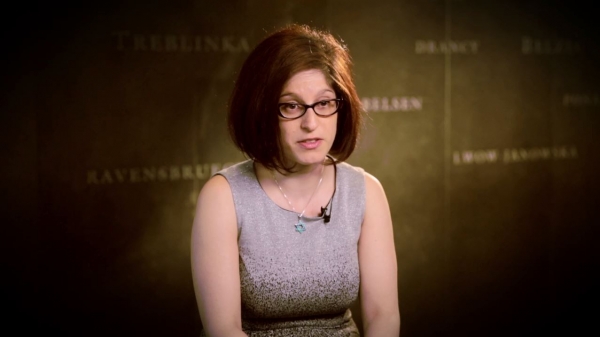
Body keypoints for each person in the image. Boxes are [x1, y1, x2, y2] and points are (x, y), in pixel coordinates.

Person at [191, 24, 400, 337]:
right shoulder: (223, 196)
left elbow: (383, 317)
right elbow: (223, 329)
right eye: (291, 106)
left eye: (325, 103)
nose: (311, 123)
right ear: (262, 109)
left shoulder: (366, 191)